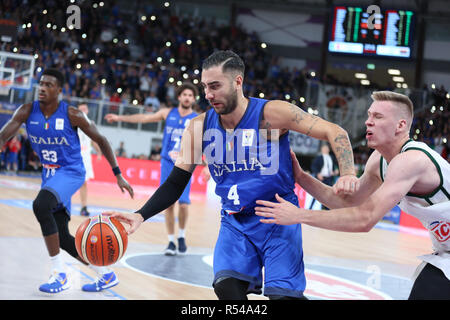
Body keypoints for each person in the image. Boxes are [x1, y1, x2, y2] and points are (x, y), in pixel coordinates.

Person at [105, 50, 358, 300]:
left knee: (284, 297)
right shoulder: (198, 127)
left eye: (215, 86)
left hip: (279, 216)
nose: (208, 94)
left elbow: (334, 131)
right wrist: (140, 215)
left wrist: (347, 172)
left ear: (238, 82)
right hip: (235, 222)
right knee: (226, 287)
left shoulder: (271, 114)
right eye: (205, 87)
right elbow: (175, 182)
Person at [254, 91, 450, 300]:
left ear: (400, 126)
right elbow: (345, 204)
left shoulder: (411, 160)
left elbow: (364, 218)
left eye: (378, 117)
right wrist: (301, 177)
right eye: (369, 115)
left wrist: (298, 215)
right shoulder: (379, 161)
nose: (368, 122)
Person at [0, 68, 134, 294]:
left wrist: (117, 174)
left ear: (59, 90)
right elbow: (3, 137)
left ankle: (60, 275)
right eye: (41, 83)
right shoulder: (26, 111)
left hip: (71, 172)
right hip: (50, 176)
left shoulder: (72, 114)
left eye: (49, 85)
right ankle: (106, 274)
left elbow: (101, 139)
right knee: (62, 237)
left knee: (40, 205)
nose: (42, 88)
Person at [105, 82, 201, 255]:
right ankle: (171, 241)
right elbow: (144, 118)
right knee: (168, 204)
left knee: (185, 205)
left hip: (186, 162)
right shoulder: (167, 113)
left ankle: (181, 236)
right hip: (167, 162)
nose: (187, 97)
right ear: (179, 97)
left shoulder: (197, 118)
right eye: (184, 94)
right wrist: (120, 118)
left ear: (194, 99)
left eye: (190, 95)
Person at [77, 103, 102, 216]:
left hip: (85, 156)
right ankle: (60, 203)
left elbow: (94, 139)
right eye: (80, 109)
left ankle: (83, 206)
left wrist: (99, 152)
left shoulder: (91, 124)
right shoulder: (72, 122)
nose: (83, 110)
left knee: (84, 182)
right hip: (73, 155)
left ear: (87, 111)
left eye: (84, 108)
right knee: (68, 181)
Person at [309, 143, 338, 209]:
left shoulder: (331, 157)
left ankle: (327, 209)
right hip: (321, 178)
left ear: (328, 149)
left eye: (326, 148)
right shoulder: (319, 158)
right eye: (324, 148)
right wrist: (317, 174)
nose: (325, 150)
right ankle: (310, 207)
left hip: (329, 178)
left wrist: (335, 170)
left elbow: (334, 166)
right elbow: (313, 166)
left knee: (329, 194)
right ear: (322, 150)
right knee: (317, 194)